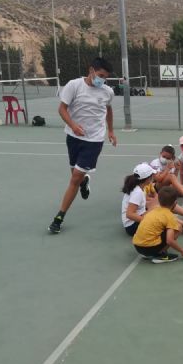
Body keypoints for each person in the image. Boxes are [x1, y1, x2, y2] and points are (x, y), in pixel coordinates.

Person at [48, 57, 117, 234]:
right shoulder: (74, 85)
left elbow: (108, 110)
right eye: (100, 75)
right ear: (91, 70)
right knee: (76, 175)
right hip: (73, 137)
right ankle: (84, 181)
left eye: (105, 78)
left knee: (74, 178)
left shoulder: (107, 91)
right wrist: (73, 126)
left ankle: (59, 217)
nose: (102, 80)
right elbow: (62, 109)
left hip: (94, 140)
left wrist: (110, 131)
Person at [132, 186, 183, 264]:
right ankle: (160, 255)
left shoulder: (152, 210)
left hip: (137, 246)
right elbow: (169, 240)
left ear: (159, 200)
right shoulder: (169, 216)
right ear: (175, 202)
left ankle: (148, 254)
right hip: (149, 248)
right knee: (178, 226)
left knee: (161, 228)